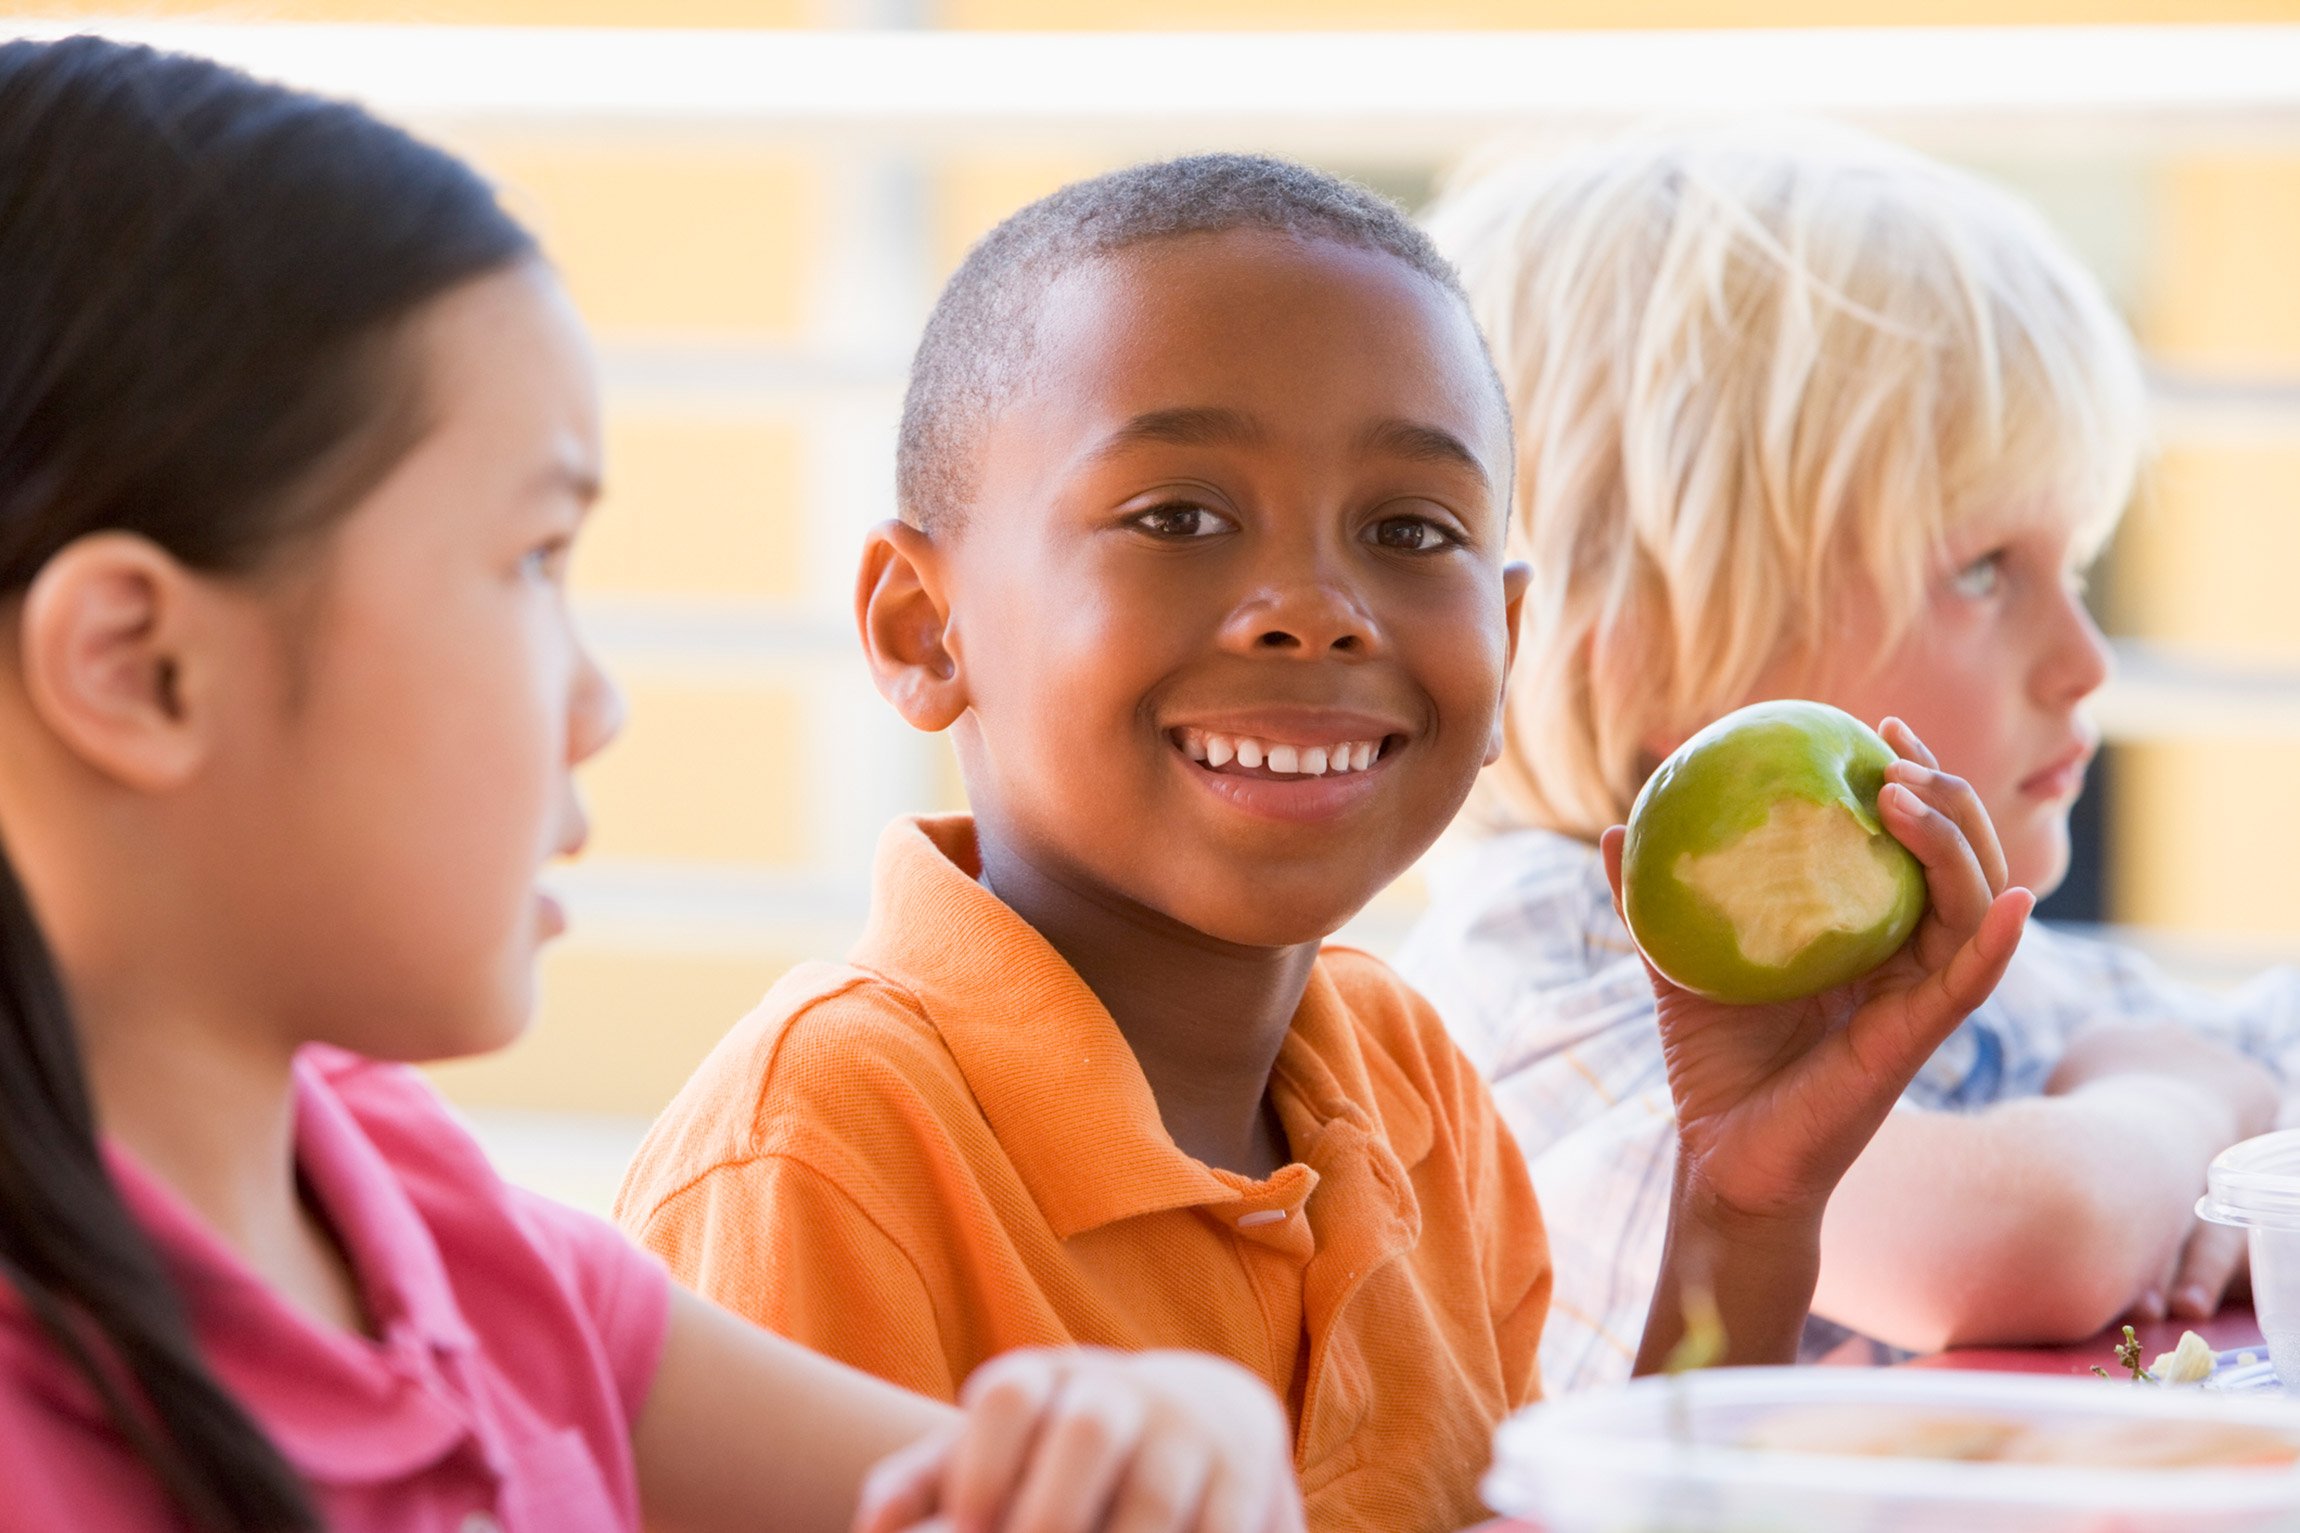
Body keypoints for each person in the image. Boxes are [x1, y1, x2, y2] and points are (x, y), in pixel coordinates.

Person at [615, 152, 2030, 1533]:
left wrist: (1746, 1201)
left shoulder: (1408, 1088)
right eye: (1178, 515)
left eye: (1411, 530)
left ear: (1507, 643)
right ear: (924, 629)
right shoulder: (823, 1149)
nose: (1314, 606)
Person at [0, 36, 1304, 1533]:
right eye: (529, 562)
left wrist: (1165, 1434)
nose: (598, 706)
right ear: (139, 666)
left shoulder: (405, 1206)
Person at [1396, 122, 2293, 1394]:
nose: (2085, 659)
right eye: (1981, 572)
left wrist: (2215, 1114)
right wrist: (2185, 1109)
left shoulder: (1953, 945)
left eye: (2072, 567)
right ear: (1661, 671)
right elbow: (1997, 1244)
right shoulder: (1544, 972)